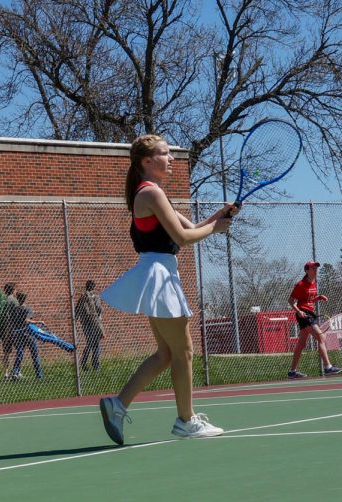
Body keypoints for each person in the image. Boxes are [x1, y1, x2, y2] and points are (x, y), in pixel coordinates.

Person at [98, 134, 238, 444]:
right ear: (147, 161)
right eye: (165, 153)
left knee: (165, 354)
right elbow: (186, 239)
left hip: (158, 273)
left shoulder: (153, 193)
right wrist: (216, 227)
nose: (172, 158)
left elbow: (190, 227)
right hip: (158, 275)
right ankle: (186, 421)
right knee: (184, 351)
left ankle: (117, 405)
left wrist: (220, 215)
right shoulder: (151, 194)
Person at [287, 261, 342, 379]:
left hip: (310, 313)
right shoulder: (300, 284)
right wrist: (299, 311)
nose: (315, 270)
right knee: (321, 337)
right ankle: (328, 367)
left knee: (301, 344)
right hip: (303, 314)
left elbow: (309, 299)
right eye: (313, 268)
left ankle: (292, 372)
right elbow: (291, 301)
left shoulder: (313, 283)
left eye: (316, 268)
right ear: (307, 271)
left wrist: (319, 297)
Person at [11, 291, 43, 380]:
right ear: (24, 299)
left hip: (18, 333)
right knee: (35, 354)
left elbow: (12, 321)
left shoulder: (15, 309)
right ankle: (39, 375)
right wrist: (38, 322)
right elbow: (27, 320)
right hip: (28, 333)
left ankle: (15, 372)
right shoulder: (27, 309)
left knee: (19, 353)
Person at [76, 279, 105, 371]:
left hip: (87, 323)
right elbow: (99, 309)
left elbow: (77, 311)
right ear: (93, 287)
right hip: (93, 323)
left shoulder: (84, 298)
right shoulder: (94, 297)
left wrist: (76, 320)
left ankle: (86, 363)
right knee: (94, 344)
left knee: (91, 343)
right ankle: (94, 365)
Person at [0, 282, 20, 380]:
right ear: (13, 290)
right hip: (14, 329)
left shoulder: (3, 300)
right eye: (15, 289)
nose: (16, 291)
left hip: (5, 329)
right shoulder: (14, 300)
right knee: (19, 350)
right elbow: (19, 313)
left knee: (6, 352)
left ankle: (5, 373)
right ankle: (16, 372)